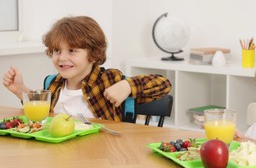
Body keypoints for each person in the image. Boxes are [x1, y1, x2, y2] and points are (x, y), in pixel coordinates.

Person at [2, 16, 172, 121]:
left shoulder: (109, 80)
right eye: (56, 50)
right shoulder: (52, 83)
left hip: (100, 158)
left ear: (93, 54)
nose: (61, 58)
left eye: (72, 51)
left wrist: (127, 86)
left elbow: (164, 84)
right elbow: (41, 116)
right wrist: (21, 90)